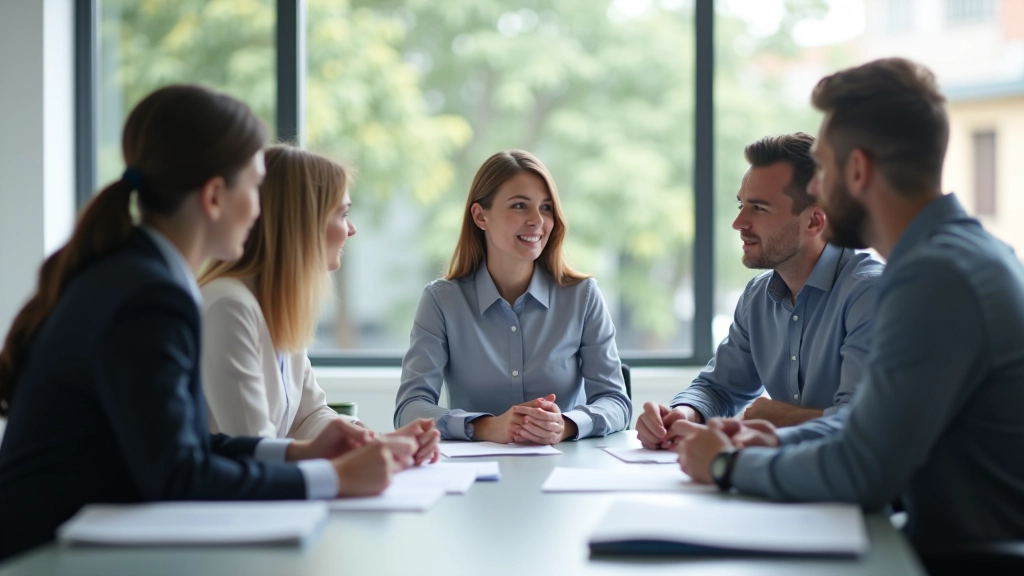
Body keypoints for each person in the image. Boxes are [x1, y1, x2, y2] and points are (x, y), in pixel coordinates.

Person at [0, 85, 413, 560]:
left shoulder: (138, 276)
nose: (261, 211)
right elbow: (179, 475)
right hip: (45, 557)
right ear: (215, 197)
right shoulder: (151, 296)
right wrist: (333, 478)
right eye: (254, 189)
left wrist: (301, 453)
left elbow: (185, 446)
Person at [673, 58, 1024, 545]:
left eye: (825, 168)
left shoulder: (934, 277)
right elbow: (866, 431)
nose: (816, 188)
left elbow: (863, 467)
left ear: (857, 169)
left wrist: (726, 464)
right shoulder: (952, 258)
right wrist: (773, 440)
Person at [637, 133, 882, 449]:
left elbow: (864, 423)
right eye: (741, 204)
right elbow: (719, 389)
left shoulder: (870, 294)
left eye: (759, 208)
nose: (738, 222)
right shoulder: (757, 296)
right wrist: (683, 413)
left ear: (815, 221)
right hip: (780, 482)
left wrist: (781, 417)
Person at [198, 145, 439, 464]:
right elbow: (253, 448)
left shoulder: (277, 305)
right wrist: (357, 462)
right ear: (303, 224)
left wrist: (374, 441)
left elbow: (308, 417)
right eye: (343, 214)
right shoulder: (229, 306)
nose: (351, 230)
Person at [394, 149, 631, 443]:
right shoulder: (442, 301)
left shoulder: (582, 297)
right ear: (481, 216)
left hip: (563, 470)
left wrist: (565, 425)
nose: (537, 220)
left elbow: (616, 402)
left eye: (546, 208)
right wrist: (486, 427)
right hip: (474, 475)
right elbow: (409, 407)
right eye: (520, 206)